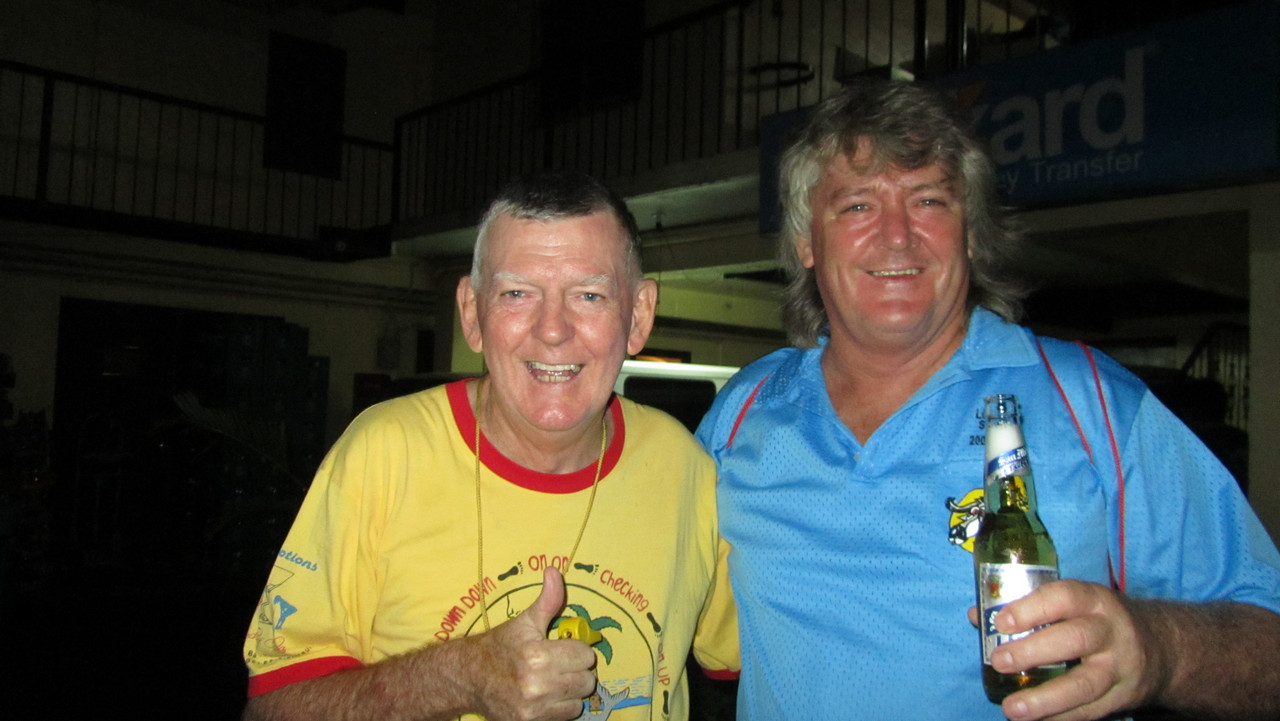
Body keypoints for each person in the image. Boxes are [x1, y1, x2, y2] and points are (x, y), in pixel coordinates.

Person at [695, 78, 1280, 721]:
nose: (898, 236)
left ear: (970, 233)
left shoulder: (1089, 402)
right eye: (858, 205)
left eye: (929, 200)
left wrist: (1160, 648)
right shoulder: (744, 410)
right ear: (807, 241)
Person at [242, 171, 738, 721]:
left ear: (639, 315)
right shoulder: (383, 455)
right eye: (517, 293)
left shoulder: (686, 469)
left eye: (590, 295)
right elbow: (272, 708)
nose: (553, 329)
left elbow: (771, 654)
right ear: (471, 313)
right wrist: (460, 676)